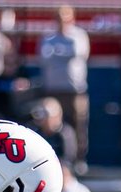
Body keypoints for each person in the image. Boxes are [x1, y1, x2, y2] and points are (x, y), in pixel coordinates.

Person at [38, 7, 89, 172]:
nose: (62, 22)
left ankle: (78, 161)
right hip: (53, 89)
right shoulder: (48, 37)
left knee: (77, 125)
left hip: (74, 90)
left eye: (65, 18)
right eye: (59, 18)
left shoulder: (79, 36)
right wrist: (63, 53)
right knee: (50, 124)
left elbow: (77, 53)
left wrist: (57, 53)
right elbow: (45, 57)